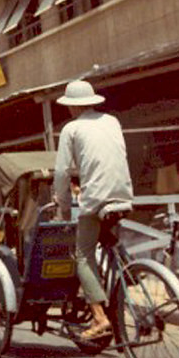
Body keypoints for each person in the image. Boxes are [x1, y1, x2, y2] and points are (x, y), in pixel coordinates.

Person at [52, 79, 134, 341]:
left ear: (72, 108)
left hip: (96, 200)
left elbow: (62, 172)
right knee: (110, 245)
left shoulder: (71, 129)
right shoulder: (112, 121)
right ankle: (126, 280)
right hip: (122, 195)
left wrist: (63, 206)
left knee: (83, 255)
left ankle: (99, 318)